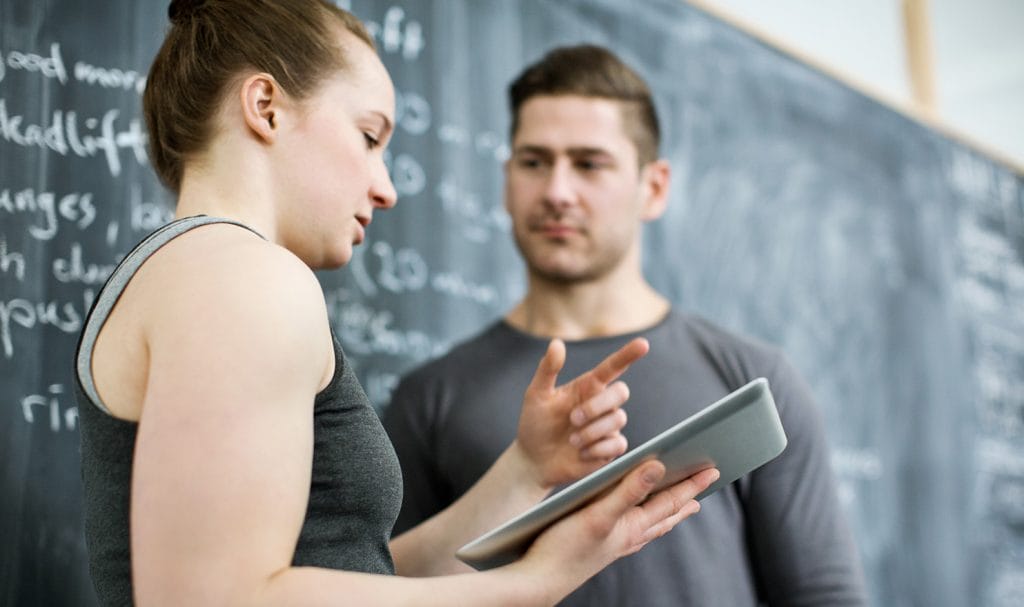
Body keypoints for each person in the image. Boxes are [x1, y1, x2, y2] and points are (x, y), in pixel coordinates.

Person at [72, 3, 721, 606]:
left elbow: (357, 578)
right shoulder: (245, 277)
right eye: (369, 135)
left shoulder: (192, 272)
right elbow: (217, 596)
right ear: (265, 106)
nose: (386, 188)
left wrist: (523, 471)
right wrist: (533, 583)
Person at [383, 44, 869, 606]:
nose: (557, 192)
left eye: (589, 164)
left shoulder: (753, 383)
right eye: (534, 162)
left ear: (654, 187)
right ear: (507, 179)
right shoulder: (430, 398)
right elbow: (380, 594)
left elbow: (823, 596)